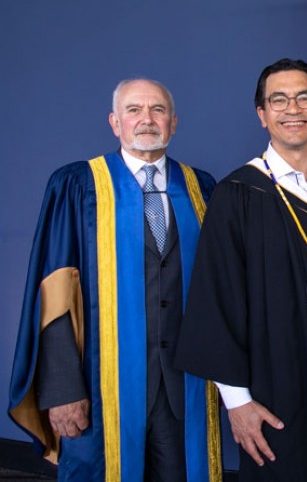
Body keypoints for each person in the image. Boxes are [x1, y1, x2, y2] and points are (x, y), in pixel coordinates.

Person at [8, 79, 221, 481]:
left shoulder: (201, 187)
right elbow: (55, 294)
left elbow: (219, 290)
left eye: (157, 110)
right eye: (134, 110)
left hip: (186, 386)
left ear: (174, 123)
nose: (146, 119)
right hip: (101, 387)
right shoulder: (77, 185)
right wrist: (64, 390)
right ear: (114, 122)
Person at [175, 58, 307, 481]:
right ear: (262, 115)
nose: (293, 109)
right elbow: (216, 301)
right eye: (278, 100)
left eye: (304, 98)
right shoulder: (237, 194)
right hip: (274, 392)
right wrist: (237, 403)